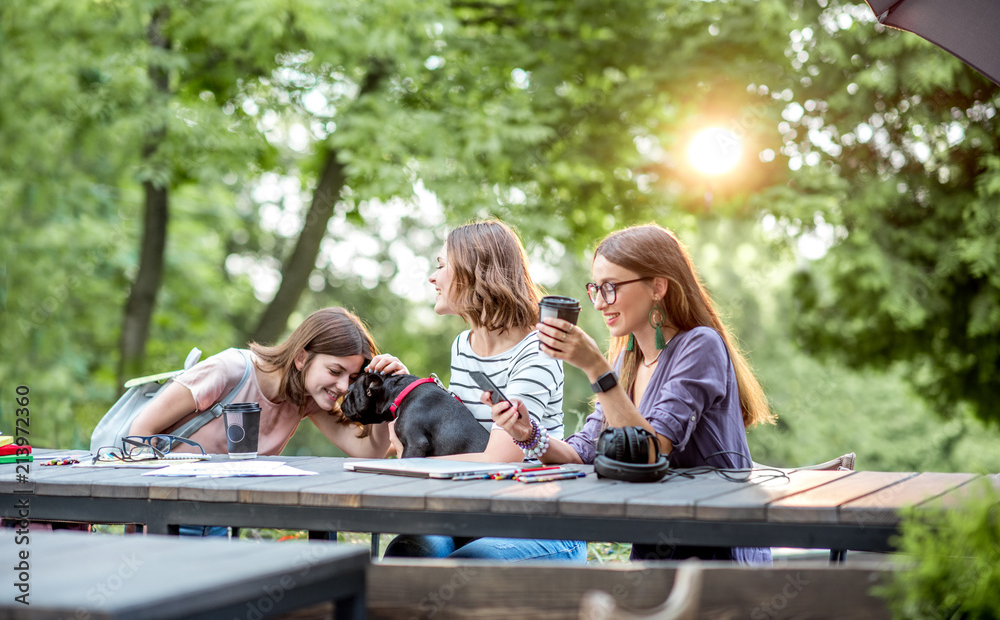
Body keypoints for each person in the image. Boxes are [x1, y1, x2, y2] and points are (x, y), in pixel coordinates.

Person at [486, 223, 775, 565]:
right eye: (595, 288)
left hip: (716, 553)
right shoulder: (627, 361)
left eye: (611, 288)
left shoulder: (700, 346)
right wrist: (527, 432)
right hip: (656, 551)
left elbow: (652, 451)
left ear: (658, 286)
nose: (599, 303)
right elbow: (582, 455)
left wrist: (595, 368)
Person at [383, 220, 585, 561]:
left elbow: (499, 459)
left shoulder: (535, 351)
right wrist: (405, 393)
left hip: (543, 526)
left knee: (472, 565)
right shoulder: (463, 345)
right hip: (472, 515)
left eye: (441, 265)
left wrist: (407, 465)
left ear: (475, 273)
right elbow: (459, 432)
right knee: (407, 551)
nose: (433, 277)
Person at [129, 307, 405, 535]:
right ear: (301, 358)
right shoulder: (229, 371)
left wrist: (387, 388)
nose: (344, 386)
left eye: (353, 378)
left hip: (217, 522)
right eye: (335, 370)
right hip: (165, 518)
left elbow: (370, 452)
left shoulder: (307, 399)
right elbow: (139, 431)